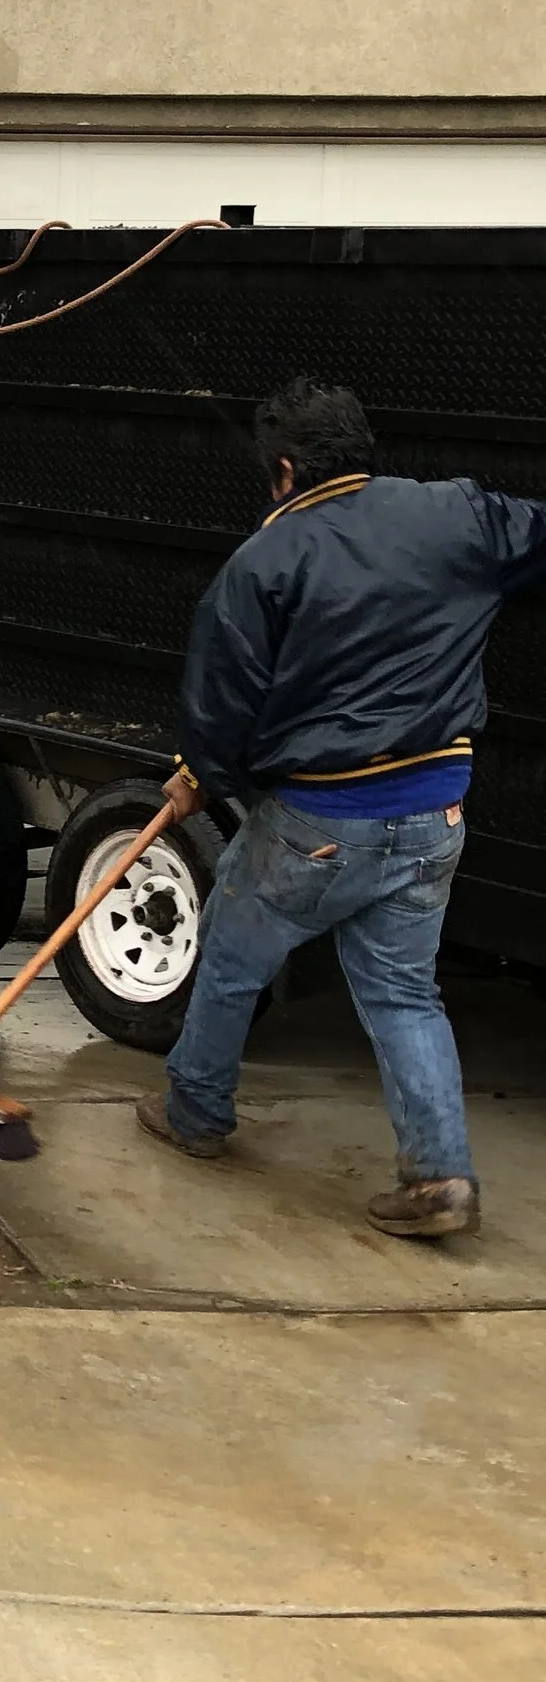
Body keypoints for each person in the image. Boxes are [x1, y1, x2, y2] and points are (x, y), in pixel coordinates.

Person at [139, 377, 546, 1238]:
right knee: (405, 995)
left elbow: (220, 708)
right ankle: (440, 1178)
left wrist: (202, 775)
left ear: (284, 469)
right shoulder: (460, 515)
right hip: (438, 813)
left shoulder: (264, 561)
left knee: (231, 949)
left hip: (321, 817)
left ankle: (196, 1113)